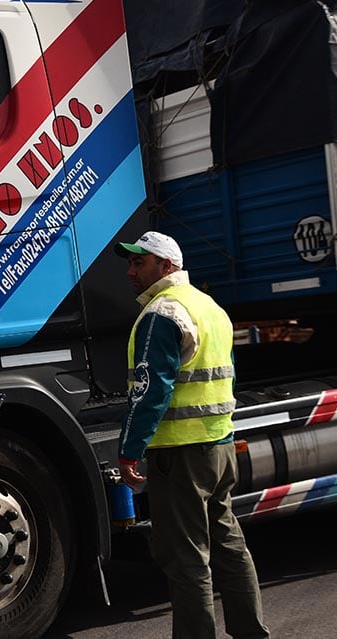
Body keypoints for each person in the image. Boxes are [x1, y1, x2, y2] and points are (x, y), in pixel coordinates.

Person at [116, 231, 269, 639]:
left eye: (139, 263)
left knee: (185, 559)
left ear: (166, 266)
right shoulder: (211, 308)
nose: (131, 271)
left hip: (179, 453)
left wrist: (130, 451)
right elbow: (229, 375)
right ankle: (251, 632)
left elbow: (151, 392)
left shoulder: (160, 313)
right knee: (228, 543)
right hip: (218, 446)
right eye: (131, 263)